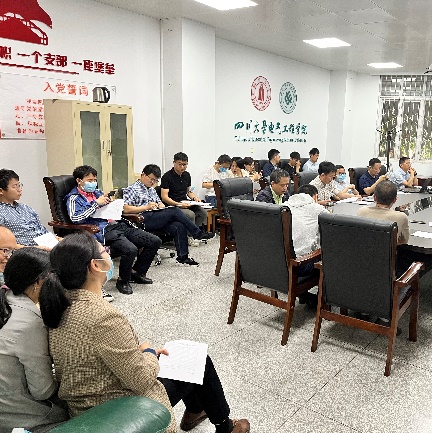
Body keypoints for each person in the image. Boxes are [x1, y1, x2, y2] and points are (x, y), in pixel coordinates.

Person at [38, 232, 250, 433]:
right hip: (120, 410)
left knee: (185, 361)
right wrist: (148, 353)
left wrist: (135, 353)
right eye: (105, 251)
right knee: (199, 361)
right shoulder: (103, 317)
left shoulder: (60, 304)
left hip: (86, 406)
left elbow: (93, 356)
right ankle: (225, 428)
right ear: (95, 265)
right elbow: (141, 380)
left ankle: (195, 411)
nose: (109, 255)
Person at [0, 244, 69, 432]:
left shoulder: (5, 298)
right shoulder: (29, 324)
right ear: (37, 283)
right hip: (18, 416)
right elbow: (42, 391)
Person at [66, 165, 161, 295]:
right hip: (101, 230)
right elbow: (75, 218)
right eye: (90, 180)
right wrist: (96, 204)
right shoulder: (74, 198)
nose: (93, 183)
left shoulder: (97, 193)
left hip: (117, 224)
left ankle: (137, 272)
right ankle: (123, 280)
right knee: (130, 249)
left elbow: (106, 209)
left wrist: (111, 203)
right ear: (79, 180)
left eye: (94, 180)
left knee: (154, 241)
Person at [123, 164, 211, 267]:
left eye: (155, 181)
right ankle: (197, 233)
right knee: (174, 210)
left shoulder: (151, 189)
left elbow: (160, 203)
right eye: (151, 179)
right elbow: (125, 209)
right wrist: (146, 207)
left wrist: (160, 206)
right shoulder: (132, 189)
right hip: (141, 219)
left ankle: (183, 257)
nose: (153, 182)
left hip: (155, 216)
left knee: (178, 226)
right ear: (143, 175)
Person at [0, 169, 63, 250]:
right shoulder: (1, 213)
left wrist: (57, 238)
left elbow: (41, 230)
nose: (19, 189)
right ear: (1, 191)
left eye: (19, 185)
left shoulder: (25, 208)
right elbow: (5, 245)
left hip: (45, 246)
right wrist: (34, 248)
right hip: (26, 251)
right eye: (15, 186)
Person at [285, 184, 327, 307]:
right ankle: (322, 300)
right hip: (300, 266)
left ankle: (304, 295)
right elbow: (331, 230)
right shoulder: (317, 209)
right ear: (315, 197)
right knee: (330, 255)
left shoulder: (283, 207)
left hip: (278, 262)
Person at [160, 152, 211, 237]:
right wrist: (178, 204)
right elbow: (164, 197)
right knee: (190, 214)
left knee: (203, 213)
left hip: (185, 202)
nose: (182, 167)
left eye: (185, 164)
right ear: (174, 163)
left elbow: (188, 191)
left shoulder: (187, 175)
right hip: (172, 204)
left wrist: (195, 198)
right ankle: (190, 236)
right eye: (180, 164)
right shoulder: (167, 176)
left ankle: (192, 234)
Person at [357, 181, 409, 245]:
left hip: (363, 250)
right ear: (395, 199)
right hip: (386, 251)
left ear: (374, 197)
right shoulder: (401, 217)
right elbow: (404, 240)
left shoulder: (362, 211)